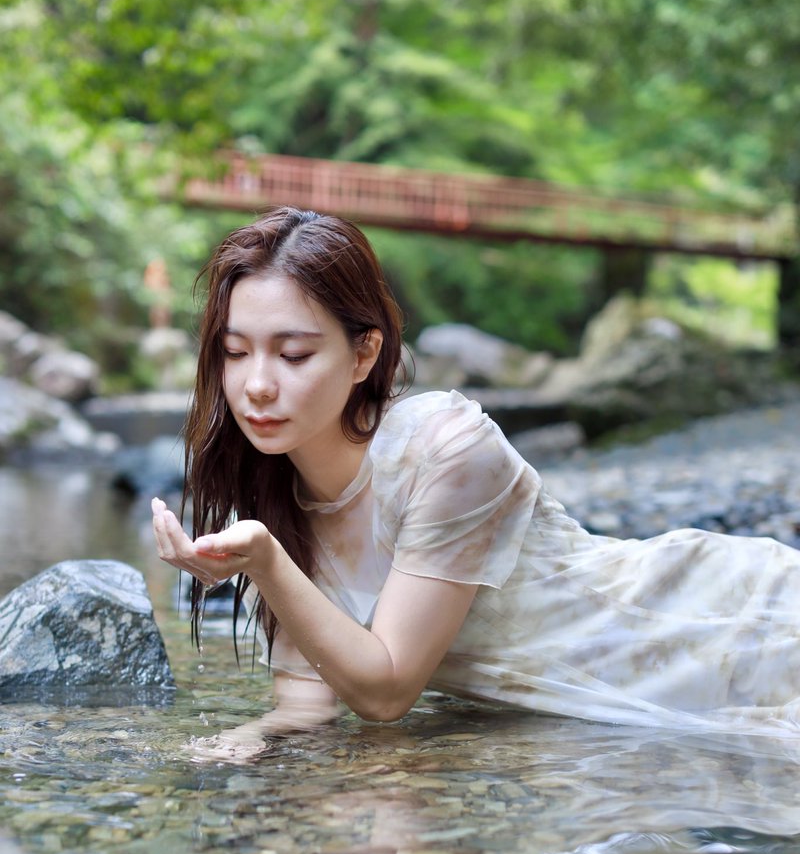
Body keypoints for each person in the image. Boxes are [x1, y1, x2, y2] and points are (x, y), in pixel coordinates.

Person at [152, 206, 800, 760]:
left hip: (724, 632)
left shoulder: (445, 446)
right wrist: (238, 746)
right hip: (615, 720)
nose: (257, 384)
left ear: (363, 353)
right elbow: (306, 702)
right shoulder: (277, 491)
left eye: (293, 354)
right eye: (235, 352)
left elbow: (386, 691)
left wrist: (264, 562)